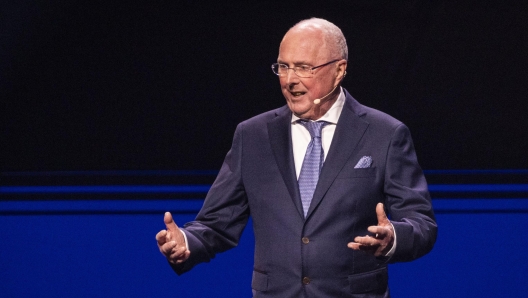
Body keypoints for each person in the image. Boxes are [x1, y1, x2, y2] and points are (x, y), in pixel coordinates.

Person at [156, 18, 437, 297]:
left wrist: (393, 238)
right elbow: (216, 222)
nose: (290, 80)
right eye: (283, 67)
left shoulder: (384, 134)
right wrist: (186, 240)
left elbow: (421, 223)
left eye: (304, 68)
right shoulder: (253, 136)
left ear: (339, 70)